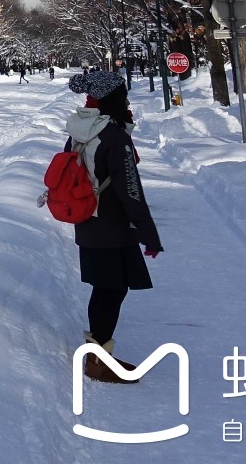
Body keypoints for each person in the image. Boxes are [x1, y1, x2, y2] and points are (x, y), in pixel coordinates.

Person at [65, 68, 164, 381]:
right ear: (114, 99)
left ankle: (98, 351)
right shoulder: (114, 136)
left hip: (87, 219)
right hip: (112, 225)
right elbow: (130, 191)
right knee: (112, 289)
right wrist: (149, 234)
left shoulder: (81, 130)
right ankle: (97, 360)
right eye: (123, 94)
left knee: (106, 287)